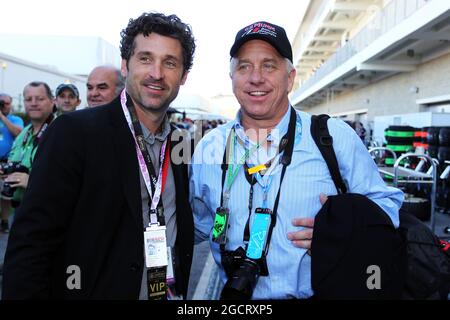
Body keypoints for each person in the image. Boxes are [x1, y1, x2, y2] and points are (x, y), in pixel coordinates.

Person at [189, 21, 404, 299]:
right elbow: (197, 225)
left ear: (289, 78)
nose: (256, 77)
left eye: (269, 65)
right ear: (232, 78)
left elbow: (388, 207)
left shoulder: (334, 138)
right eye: (244, 66)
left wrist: (341, 234)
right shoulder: (209, 148)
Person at [2, 12, 195, 300]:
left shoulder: (179, 143)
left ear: (183, 76)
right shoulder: (74, 132)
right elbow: (31, 245)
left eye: (170, 62)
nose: (156, 72)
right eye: (145, 58)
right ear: (125, 65)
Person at [0, 93, 24, 233]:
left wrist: (2, 117)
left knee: (5, 195)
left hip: (7, 162)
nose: (3, 105)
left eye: (6, 103)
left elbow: (18, 133)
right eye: (1, 102)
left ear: (11, 104)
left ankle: (4, 221)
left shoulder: (16, 119)